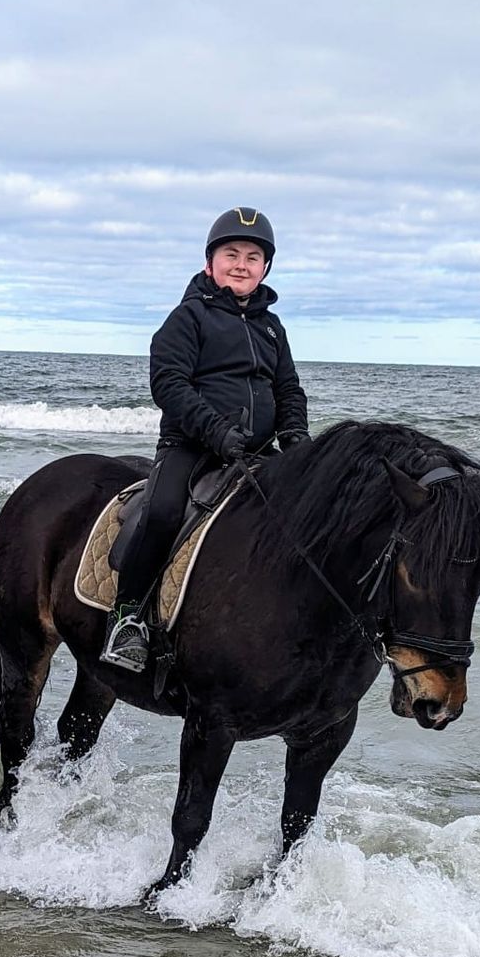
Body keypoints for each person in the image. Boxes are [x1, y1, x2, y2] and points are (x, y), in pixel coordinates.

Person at [100, 207, 308, 672]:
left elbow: (288, 388)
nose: (241, 264)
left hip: (254, 453)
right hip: (190, 448)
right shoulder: (188, 318)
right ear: (210, 262)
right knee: (161, 512)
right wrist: (216, 431)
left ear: (266, 267)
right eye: (231, 254)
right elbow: (169, 384)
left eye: (253, 257)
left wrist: (295, 435)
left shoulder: (273, 328)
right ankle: (128, 618)